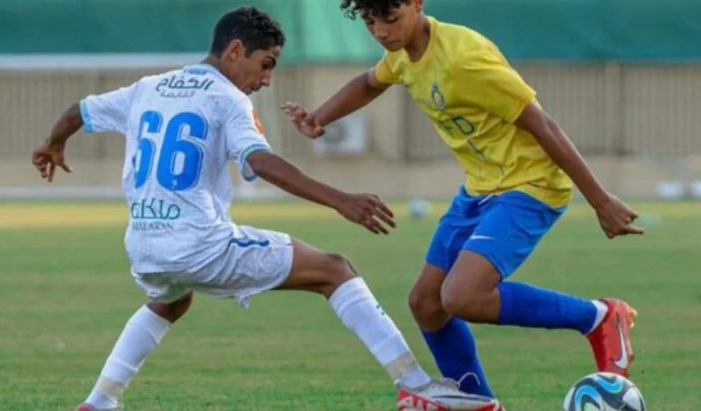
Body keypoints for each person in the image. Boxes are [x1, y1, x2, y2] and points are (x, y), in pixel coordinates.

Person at [31, 6, 502, 411]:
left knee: (169, 301)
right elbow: (259, 161)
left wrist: (53, 145)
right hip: (201, 245)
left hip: (144, 245)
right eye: (266, 64)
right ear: (235, 51)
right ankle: (416, 386)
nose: (266, 80)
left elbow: (78, 111)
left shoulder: (149, 87)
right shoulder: (228, 97)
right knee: (334, 269)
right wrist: (341, 199)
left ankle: (99, 401)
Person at [281, 0, 644, 402]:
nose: (381, 32)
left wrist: (599, 199)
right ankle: (480, 405)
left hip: (529, 185)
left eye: (389, 19)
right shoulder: (402, 54)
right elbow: (370, 82)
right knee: (426, 303)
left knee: (463, 297)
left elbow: (541, 123)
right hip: (478, 188)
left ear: (417, 5)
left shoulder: (464, 58)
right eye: (369, 22)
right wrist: (320, 117)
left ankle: (597, 317)